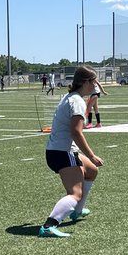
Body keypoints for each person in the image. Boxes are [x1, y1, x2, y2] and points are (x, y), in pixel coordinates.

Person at [38, 65, 104, 238]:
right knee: (75, 193)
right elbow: (76, 132)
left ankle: (77, 211)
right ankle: (49, 225)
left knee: (91, 171)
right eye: (93, 81)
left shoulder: (72, 97)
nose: (95, 86)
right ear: (85, 82)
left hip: (56, 150)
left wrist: (89, 160)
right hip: (63, 152)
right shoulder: (77, 101)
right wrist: (91, 155)